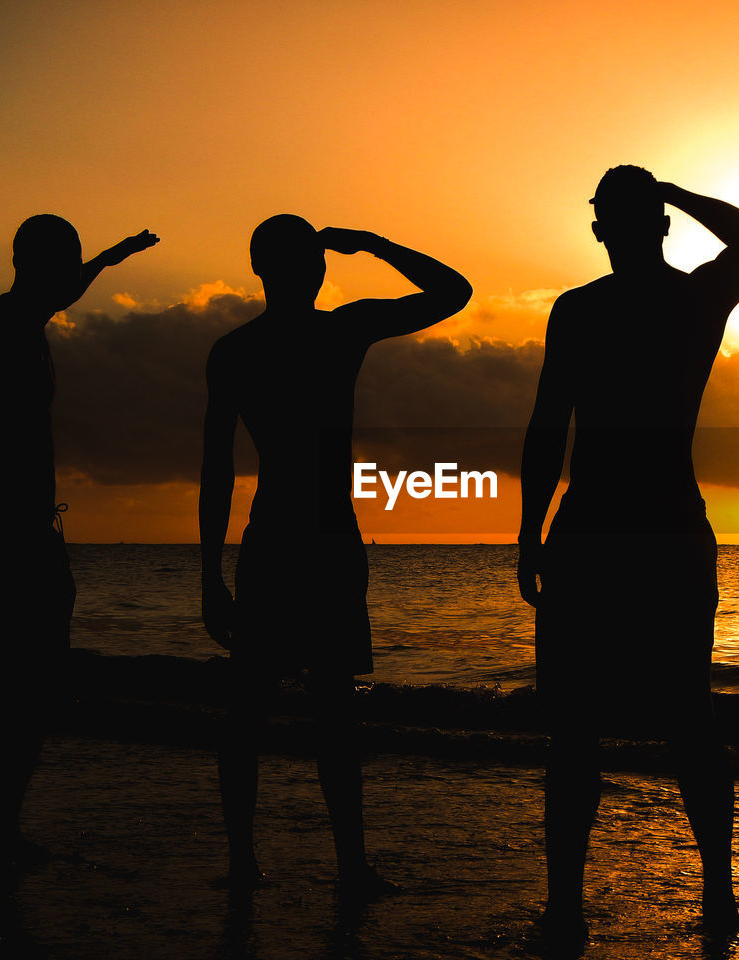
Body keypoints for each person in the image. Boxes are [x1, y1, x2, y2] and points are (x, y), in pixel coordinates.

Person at [517, 166, 739, 944]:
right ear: (656, 225)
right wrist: (675, 193)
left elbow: (546, 427)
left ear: (601, 228)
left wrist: (529, 529)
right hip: (652, 529)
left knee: (580, 729)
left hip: (599, 530)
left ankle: (570, 909)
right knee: (680, 720)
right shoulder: (688, 302)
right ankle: (712, 900)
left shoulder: (595, 309)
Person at [199, 215, 471, 900]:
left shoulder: (241, 349)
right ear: (309, 268)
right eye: (307, 260)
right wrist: (375, 244)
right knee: (316, 713)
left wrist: (208, 571)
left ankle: (259, 862)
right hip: (321, 539)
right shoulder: (335, 332)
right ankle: (338, 865)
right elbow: (452, 290)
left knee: (258, 710)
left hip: (283, 540)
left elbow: (216, 471)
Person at [0, 215, 159, 890]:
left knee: (29, 683)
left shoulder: (24, 318)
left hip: (25, 528)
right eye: (65, 261)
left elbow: (66, 292)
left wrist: (110, 256)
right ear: (31, 262)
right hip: (2, 529)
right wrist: (106, 258)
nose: (73, 276)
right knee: (6, 685)